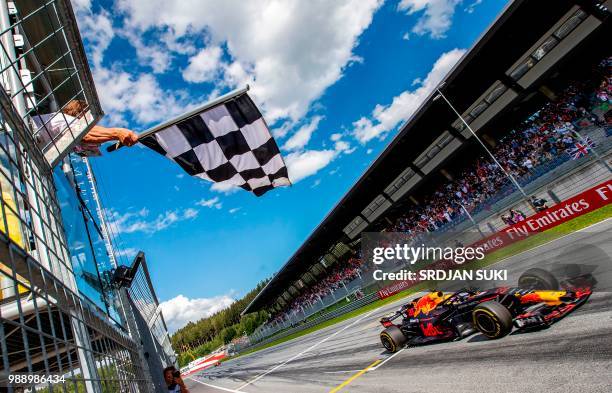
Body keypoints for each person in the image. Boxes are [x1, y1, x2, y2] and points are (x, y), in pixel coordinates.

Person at [32, 100, 138, 156]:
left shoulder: (61, 123)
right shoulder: (64, 119)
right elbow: (82, 133)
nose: (90, 122)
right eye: (88, 116)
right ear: (82, 112)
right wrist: (116, 132)